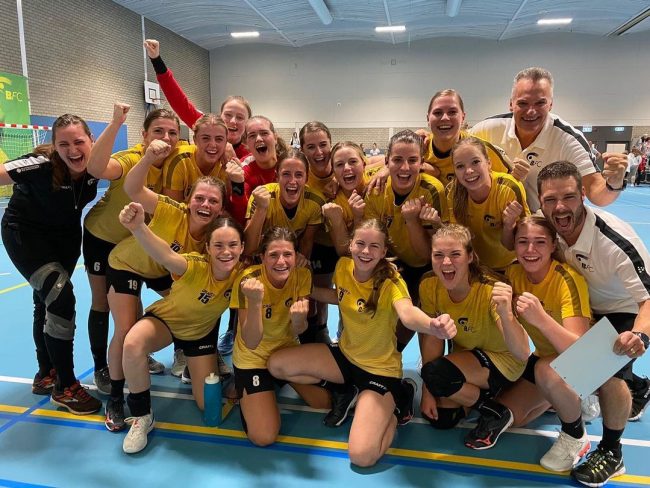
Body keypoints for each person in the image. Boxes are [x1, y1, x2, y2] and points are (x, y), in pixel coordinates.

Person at [268, 219, 456, 467]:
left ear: (384, 251)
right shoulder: (343, 266)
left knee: (362, 456)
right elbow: (341, 296)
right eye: (360, 244)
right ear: (351, 245)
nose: (366, 251)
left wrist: (432, 325)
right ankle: (347, 391)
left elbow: (408, 313)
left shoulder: (391, 282)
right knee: (277, 364)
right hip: (345, 358)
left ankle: (397, 404)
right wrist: (303, 288)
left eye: (374, 246)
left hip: (379, 372)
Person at [538, 161, 650, 486]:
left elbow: (648, 299)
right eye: (550, 199)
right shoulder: (548, 227)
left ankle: (612, 451)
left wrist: (639, 335)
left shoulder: (613, 241)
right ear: (541, 201)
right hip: (584, 304)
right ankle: (638, 386)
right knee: (562, 362)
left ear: (584, 195)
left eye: (569, 197)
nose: (560, 207)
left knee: (604, 372)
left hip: (622, 309)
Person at [104, 139, 226, 432]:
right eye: (200, 198)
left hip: (163, 269)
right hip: (128, 264)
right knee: (125, 329)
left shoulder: (213, 239)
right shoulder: (172, 210)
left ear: (221, 208)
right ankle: (116, 398)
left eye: (213, 201)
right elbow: (133, 188)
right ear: (188, 199)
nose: (205, 205)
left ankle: (193, 353)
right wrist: (147, 158)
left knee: (196, 303)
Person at [117, 204, 245, 454]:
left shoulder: (243, 275)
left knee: (208, 406)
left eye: (233, 245)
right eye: (218, 245)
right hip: (167, 322)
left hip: (200, 334)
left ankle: (208, 370)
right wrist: (138, 227)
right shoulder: (194, 266)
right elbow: (165, 254)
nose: (226, 252)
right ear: (207, 248)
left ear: (242, 247)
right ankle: (142, 415)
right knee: (132, 344)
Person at [0, 114, 102, 414]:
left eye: (79, 142)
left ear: (92, 140)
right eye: (64, 144)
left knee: (45, 302)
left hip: (65, 238)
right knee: (61, 299)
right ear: (55, 146)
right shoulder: (40, 165)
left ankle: (46, 374)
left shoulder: (97, 166)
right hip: (26, 236)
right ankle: (65, 387)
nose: (73, 150)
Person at [85, 103, 180, 392]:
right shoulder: (130, 159)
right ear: (144, 135)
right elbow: (95, 168)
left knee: (162, 296)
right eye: (158, 131)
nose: (166, 138)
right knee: (103, 303)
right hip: (103, 238)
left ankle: (139, 352)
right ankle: (101, 368)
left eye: (172, 132)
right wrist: (115, 123)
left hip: (138, 243)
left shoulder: (178, 161)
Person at [495, 216, 592, 471]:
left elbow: (581, 353)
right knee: (512, 416)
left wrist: (541, 319)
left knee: (545, 371)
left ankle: (575, 435)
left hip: (588, 363)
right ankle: (562, 398)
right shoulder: (513, 273)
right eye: (522, 242)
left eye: (539, 242)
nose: (530, 249)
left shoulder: (567, 279)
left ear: (552, 245)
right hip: (545, 356)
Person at [419, 224, 528, 450]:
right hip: (468, 358)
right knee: (442, 418)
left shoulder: (489, 289)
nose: (446, 262)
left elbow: (522, 353)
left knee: (438, 374)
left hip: (503, 360)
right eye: (438, 255)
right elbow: (432, 337)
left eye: (455, 254)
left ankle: (494, 410)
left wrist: (506, 313)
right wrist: (427, 391)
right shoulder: (429, 284)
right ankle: (490, 396)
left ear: (470, 257)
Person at [470, 67, 628, 212]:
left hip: (545, 226)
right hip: (495, 221)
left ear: (551, 104)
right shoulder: (487, 129)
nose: (531, 111)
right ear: (511, 104)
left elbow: (597, 194)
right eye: (523, 103)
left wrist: (614, 184)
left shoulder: (569, 140)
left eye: (540, 103)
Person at [229, 226, 330, 447]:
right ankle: (248, 390)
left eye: (287, 254)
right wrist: (255, 302)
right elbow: (251, 341)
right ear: (262, 257)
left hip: (285, 355)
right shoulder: (248, 280)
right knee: (263, 436)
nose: (281, 261)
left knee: (324, 403)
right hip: (253, 360)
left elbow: (298, 331)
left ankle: (273, 382)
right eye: (273, 255)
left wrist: (299, 320)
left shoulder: (302, 275)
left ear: (296, 256)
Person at [364, 129, 448, 350]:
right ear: (386, 161)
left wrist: (412, 221)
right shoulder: (375, 189)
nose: (404, 168)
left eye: (412, 160)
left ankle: (404, 352)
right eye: (397, 160)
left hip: (425, 263)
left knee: (420, 313)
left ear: (422, 162)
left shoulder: (432, 190)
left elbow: (425, 256)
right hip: (392, 259)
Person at [143, 39, 251, 161]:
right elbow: (178, 101)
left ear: (247, 123)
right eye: (228, 115)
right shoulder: (206, 125)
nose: (233, 121)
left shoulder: (252, 151)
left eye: (240, 117)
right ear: (220, 116)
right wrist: (156, 60)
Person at [447, 136, 530, 271]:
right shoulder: (453, 192)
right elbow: (458, 242)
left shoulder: (509, 188)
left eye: (475, 162)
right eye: (460, 166)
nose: (469, 171)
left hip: (511, 266)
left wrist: (508, 225)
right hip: (476, 267)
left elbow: (516, 245)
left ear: (489, 163)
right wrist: (437, 224)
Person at [243, 149, 323, 260]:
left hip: (291, 256)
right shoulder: (261, 197)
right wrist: (261, 208)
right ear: (277, 176)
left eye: (299, 175)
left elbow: (306, 244)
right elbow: (248, 249)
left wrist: (299, 267)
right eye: (286, 174)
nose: (292, 181)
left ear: (307, 178)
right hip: (262, 257)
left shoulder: (315, 202)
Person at [423, 89, 513, 183]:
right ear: (428, 118)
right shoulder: (419, 150)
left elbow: (508, 183)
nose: (445, 118)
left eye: (452, 112)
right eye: (437, 113)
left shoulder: (482, 149)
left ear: (463, 117)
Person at [162, 114, 231, 203]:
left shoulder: (228, 165)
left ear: (226, 142)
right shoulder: (179, 161)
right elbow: (172, 208)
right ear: (195, 140)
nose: (213, 145)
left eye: (219, 139)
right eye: (205, 138)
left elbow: (226, 207)